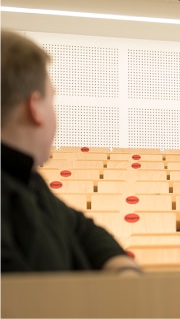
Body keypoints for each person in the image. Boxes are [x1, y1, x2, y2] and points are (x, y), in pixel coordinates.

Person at [1, 29, 141, 273]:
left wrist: (121, 269)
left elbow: (80, 228)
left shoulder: (27, 179)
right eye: (51, 100)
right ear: (34, 107)